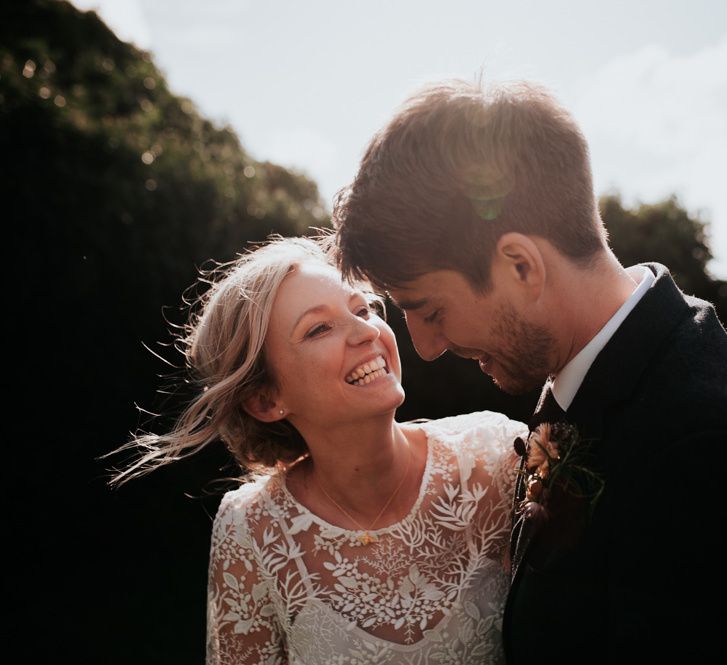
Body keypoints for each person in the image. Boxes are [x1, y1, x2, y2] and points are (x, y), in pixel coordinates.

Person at [332, 79, 727, 663]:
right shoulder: (589, 375)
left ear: (521, 265)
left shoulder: (700, 439)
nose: (428, 347)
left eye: (431, 310)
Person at [112, 236, 527, 664]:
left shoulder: (496, 454)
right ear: (267, 400)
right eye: (319, 328)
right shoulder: (251, 530)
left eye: (362, 309)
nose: (367, 331)